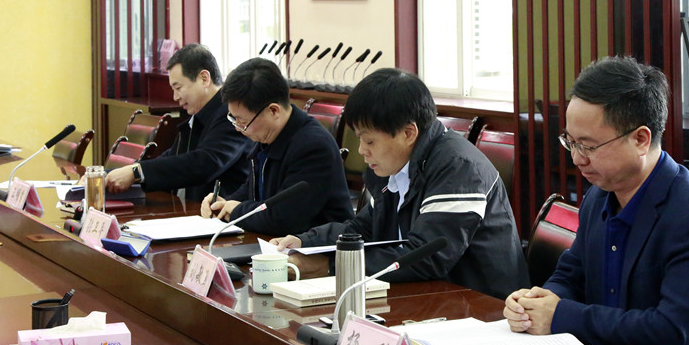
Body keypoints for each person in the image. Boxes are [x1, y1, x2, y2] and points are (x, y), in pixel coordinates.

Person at [503, 56, 689, 345]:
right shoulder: (599, 196)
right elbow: (572, 275)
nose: (577, 158)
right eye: (571, 142)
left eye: (589, 146)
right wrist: (538, 303)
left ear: (640, 140)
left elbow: (675, 331)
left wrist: (560, 316)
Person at [272, 68, 529, 299]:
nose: (362, 150)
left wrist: (331, 265)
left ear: (408, 133)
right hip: (425, 295)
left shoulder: (458, 167)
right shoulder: (394, 163)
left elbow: (425, 257)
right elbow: (364, 228)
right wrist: (306, 242)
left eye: (369, 141)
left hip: (483, 306)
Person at [201, 57, 353, 235]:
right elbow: (252, 191)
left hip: (317, 247)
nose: (238, 128)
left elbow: (284, 219)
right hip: (274, 242)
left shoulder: (313, 146)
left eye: (243, 122)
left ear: (273, 111)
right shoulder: (268, 137)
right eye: (233, 119)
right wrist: (223, 204)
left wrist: (235, 211)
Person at [105, 44, 252, 201]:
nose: (175, 97)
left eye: (178, 87)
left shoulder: (230, 114)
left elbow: (204, 163)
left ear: (204, 79)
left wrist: (137, 172)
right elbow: (172, 158)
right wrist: (114, 174)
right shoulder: (199, 116)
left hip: (223, 212)